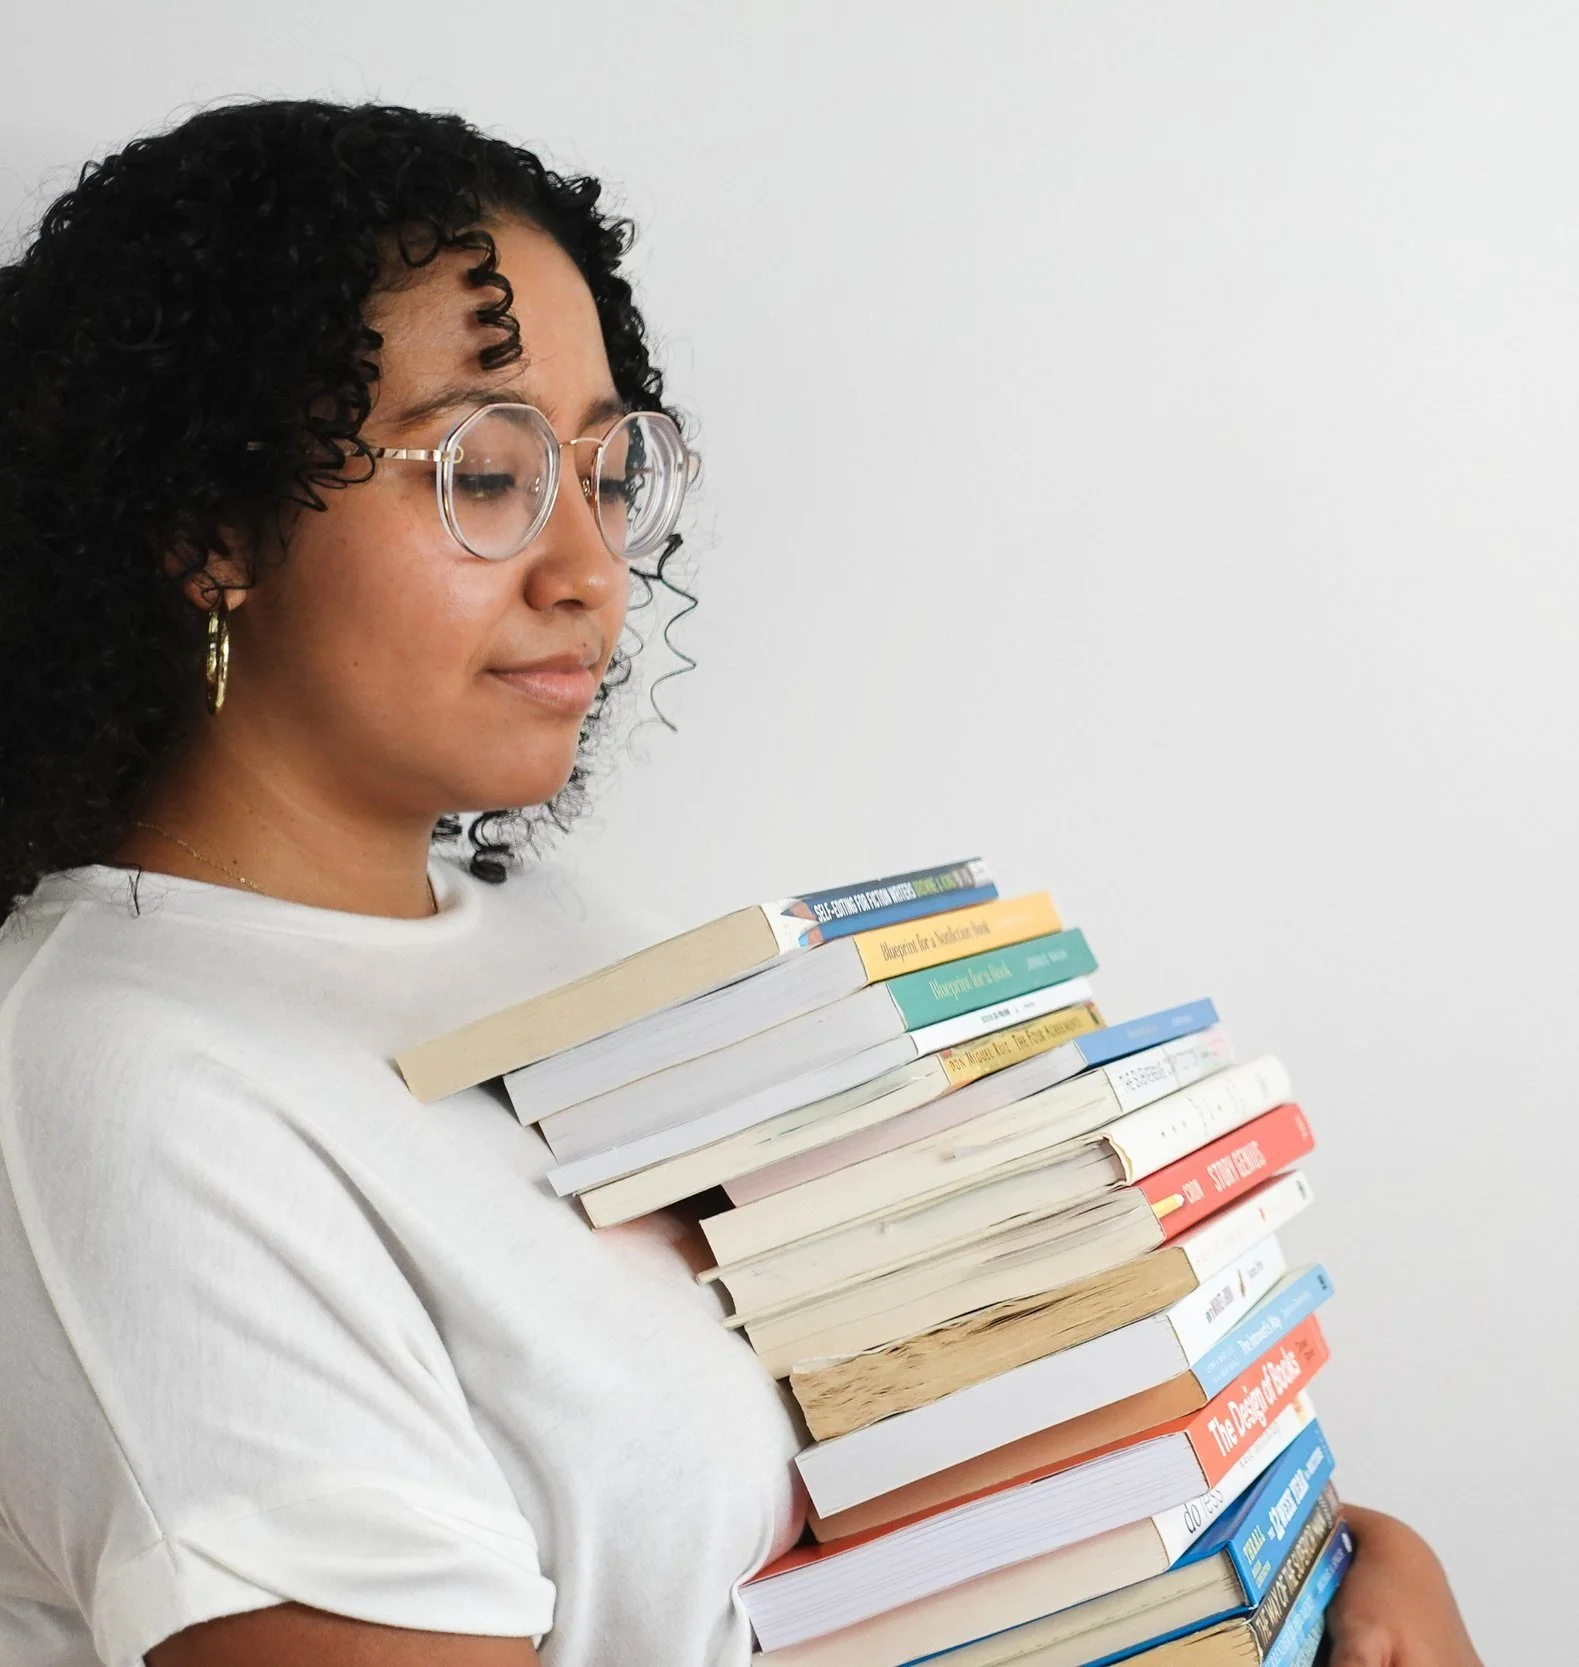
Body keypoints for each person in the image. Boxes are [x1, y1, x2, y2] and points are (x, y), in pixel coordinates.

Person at [0, 101, 1481, 1667]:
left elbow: (869, 1499)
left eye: (602, 468)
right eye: (485, 471)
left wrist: (1326, 1567)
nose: (587, 565)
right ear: (207, 525)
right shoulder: (115, 1085)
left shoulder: (556, 950)